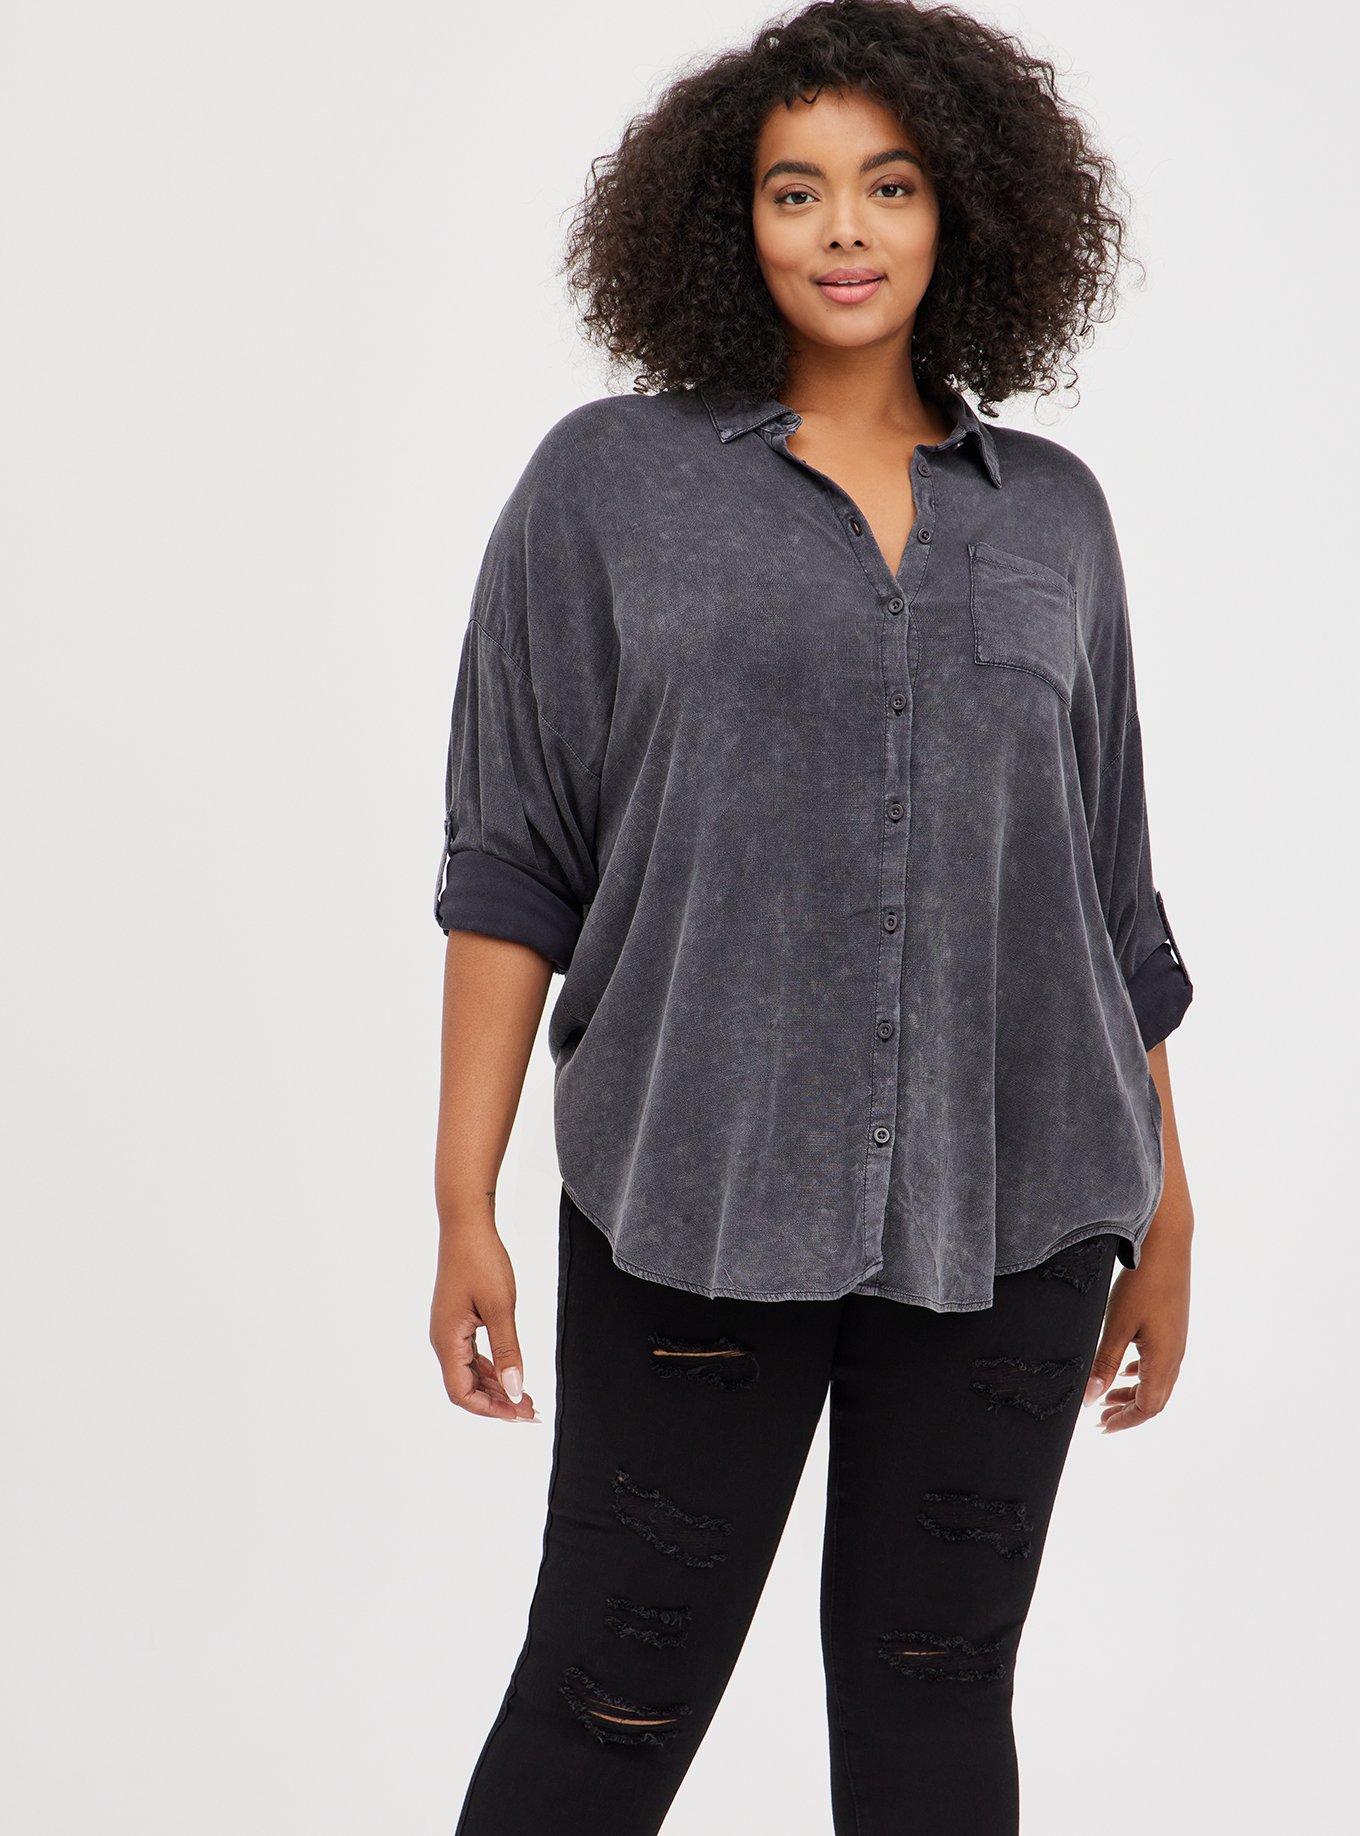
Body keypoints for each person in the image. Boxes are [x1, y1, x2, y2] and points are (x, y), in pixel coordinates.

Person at [428, 2, 1196, 1830]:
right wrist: (462, 1200)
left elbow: (1107, 897)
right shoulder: (607, 485)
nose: (845, 228)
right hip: (693, 1188)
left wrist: (1168, 1214)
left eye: (890, 184)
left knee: (939, 1710)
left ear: (964, 212)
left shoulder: (1056, 520)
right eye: (796, 190)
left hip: (1018, 1207)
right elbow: (513, 859)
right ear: (731, 221)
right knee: (604, 1706)